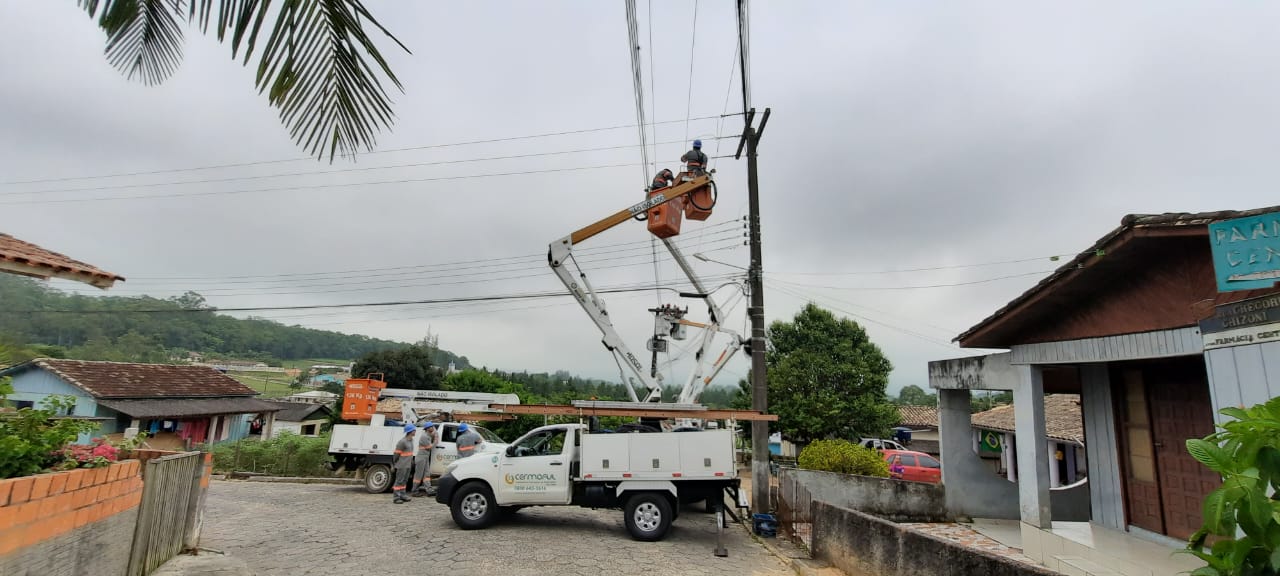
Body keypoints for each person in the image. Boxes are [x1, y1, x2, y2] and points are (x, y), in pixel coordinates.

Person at [392, 422, 416, 504]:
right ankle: (396, 497)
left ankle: (402, 495)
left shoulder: (411, 441)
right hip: (402, 465)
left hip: (407, 465)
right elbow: (396, 454)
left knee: (404, 481)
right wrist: (395, 463)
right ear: (410, 431)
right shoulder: (402, 442)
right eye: (414, 430)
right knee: (399, 481)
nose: (415, 431)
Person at [412, 421, 436, 496]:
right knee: (418, 475)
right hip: (421, 457)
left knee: (426, 474)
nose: (432, 428)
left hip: (425, 457)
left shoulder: (428, 435)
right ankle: (414, 491)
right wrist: (435, 442)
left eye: (432, 426)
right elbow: (429, 447)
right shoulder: (424, 436)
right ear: (427, 428)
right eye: (431, 427)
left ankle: (429, 490)